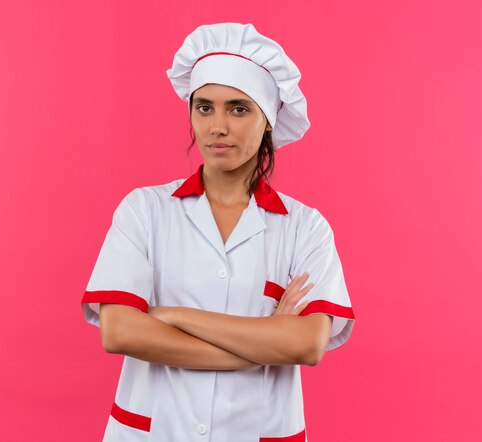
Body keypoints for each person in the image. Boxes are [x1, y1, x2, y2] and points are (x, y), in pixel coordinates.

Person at [81, 22, 355, 441]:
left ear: (268, 121)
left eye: (239, 108)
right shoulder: (145, 210)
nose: (217, 126)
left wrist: (170, 316)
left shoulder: (305, 227)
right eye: (204, 107)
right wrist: (260, 343)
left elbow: (306, 345)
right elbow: (119, 331)